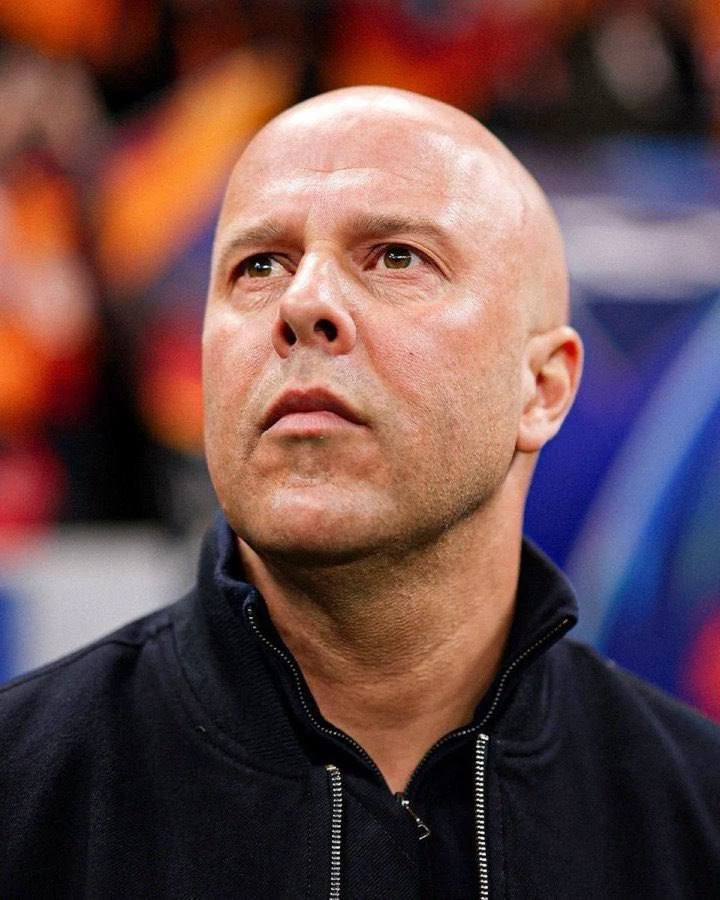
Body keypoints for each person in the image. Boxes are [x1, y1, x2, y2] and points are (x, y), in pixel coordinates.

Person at [1, 86, 719, 899]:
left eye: (397, 257)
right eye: (258, 266)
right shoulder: (23, 797)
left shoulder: (695, 823)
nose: (303, 301)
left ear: (542, 388)